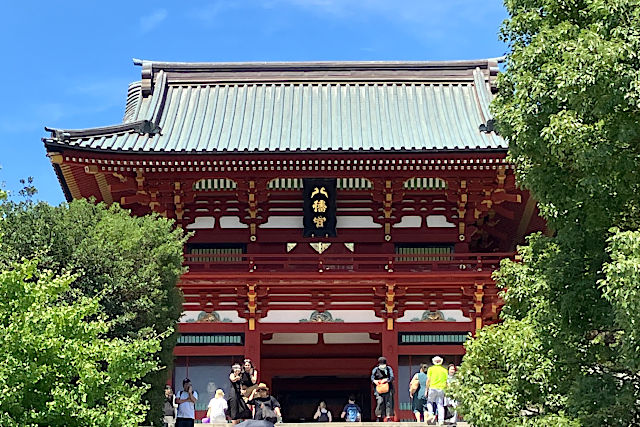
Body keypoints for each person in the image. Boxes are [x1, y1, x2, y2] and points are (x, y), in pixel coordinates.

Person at [425, 356, 448, 425]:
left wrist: (426, 389)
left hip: (433, 387)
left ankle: (431, 414)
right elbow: (447, 381)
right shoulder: (444, 370)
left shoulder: (431, 369)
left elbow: (428, 380)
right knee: (440, 404)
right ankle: (441, 420)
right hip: (441, 388)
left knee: (429, 402)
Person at [371, 356, 394, 422]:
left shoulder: (388, 369)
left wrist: (386, 380)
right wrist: (375, 381)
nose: (382, 366)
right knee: (380, 401)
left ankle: (388, 417)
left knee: (388, 403)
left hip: (388, 388)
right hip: (379, 388)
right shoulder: (375, 369)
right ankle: (378, 416)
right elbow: (372, 377)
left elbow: (392, 377)